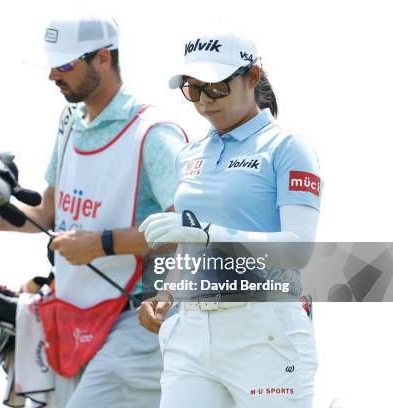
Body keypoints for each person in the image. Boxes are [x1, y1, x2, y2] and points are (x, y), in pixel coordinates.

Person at [0, 10, 188, 408]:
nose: (52, 76)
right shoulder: (70, 124)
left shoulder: (154, 133)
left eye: (64, 65)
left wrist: (100, 244)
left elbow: (187, 231)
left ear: (103, 57)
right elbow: (50, 213)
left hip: (136, 322)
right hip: (75, 321)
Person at [137, 31, 322, 407]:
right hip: (191, 331)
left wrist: (208, 235)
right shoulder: (187, 155)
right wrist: (166, 296)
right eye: (193, 89)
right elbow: (190, 244)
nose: (204, 102)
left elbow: (297, 250)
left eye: (216, 88)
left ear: (252, 76)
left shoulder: (288, 148)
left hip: (265, 331)